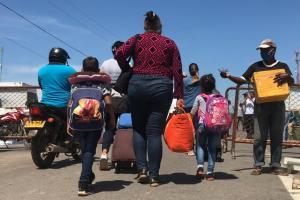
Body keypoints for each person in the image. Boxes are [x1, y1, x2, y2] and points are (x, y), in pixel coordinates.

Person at [115, 11, 184, 187]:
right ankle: (154, 176)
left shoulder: (137, 39)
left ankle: (142, 170)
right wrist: (180, 95)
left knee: (138, 129)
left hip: (137, 85)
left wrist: (127, 69)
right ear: (160, 27)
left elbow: (120, 53)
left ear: (145, 25)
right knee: (154, 132)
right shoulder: (170, 43)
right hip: (162, 87)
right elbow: (177, 70)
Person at [220, 39, 294, 175]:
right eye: (261, 50)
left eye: (265, 50)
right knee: (259, 136)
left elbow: (291, 81)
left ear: (273, 50)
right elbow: (242, 79)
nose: (263, 52)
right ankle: (258, 164)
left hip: (278, 105)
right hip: (260, 106)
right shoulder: (255, 67)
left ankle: (275, 165)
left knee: (277, 136)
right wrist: (228, 76)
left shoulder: (283, 66)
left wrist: (287, 77)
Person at [71, 57, 114, 196]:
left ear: (83, 69)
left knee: (85, 151)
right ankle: (83, 183)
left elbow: (70, 104)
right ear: (97, 69)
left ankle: (88, 176)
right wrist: (112, 119)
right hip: (95, 123)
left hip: (78, 122)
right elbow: (108, 103)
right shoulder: (101, 84)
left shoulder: (76, 84)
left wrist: (69, 122)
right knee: (89, 151)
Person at [99, 41, 128, 170]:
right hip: (123, 99)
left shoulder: (105, 64)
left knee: (110, 127)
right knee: (125, 128)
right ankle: (123, 155)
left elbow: (101, 80)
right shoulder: (127, 64)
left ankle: (104, 153)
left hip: (108, 99)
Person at [38, 47, 76, 143]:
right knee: (77, 118)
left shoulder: (41, 70)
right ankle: (69, 138)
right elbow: (76, 88)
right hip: (63, 105)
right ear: (63, 58)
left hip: (44, 105)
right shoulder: (70, 70)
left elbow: (42, 87)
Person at [190, 74, 221, 181]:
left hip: (202, 125)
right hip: (214, 126)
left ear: (201, 86)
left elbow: (193, 111)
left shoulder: (199, 97)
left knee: (200, 146)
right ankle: (210, 173)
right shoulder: (217, 97)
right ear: (213, 85)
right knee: (212, 148)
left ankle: (200, 168)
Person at [183, 63, 201, 156]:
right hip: (197, 107)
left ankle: (189, 149)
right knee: (198, 128)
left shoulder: (184, 81)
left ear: (189, 70)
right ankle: (199, 149)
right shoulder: (200, 81)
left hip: (186, 106)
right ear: (197, 70)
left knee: (189, 128)